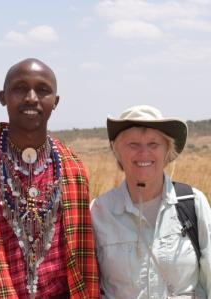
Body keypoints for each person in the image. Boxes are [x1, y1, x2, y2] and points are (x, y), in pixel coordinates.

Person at [0, 58, 100, 298]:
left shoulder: (72, 166)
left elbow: (81, 254)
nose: (31, 98)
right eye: (20, 88)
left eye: (43, 90)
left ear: (55, 102)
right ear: (2, 97)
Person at [90, 105, 211, 298]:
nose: (144, 153)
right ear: (117, 151)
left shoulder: (193, 204)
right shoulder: (98, 212)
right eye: (133, 144)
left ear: (167, 151)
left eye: (154, 144)